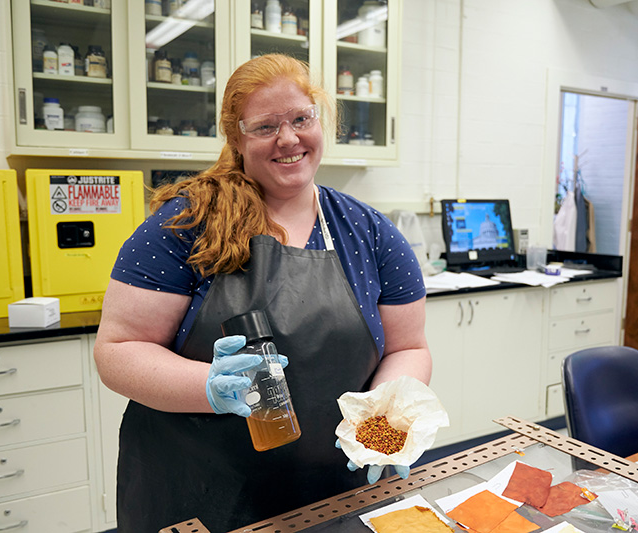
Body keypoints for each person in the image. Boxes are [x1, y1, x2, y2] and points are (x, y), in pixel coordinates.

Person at [93, 53, 432, 532]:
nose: (289, 139)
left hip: (333, 491)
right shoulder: (184, 225)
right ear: (236, 136)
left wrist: (386, 417)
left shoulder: (370, 233)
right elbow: (118, 350)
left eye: (301, 119)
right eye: (265, 126)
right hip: (198, 492)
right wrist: (208, 387)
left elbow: (408, 348)